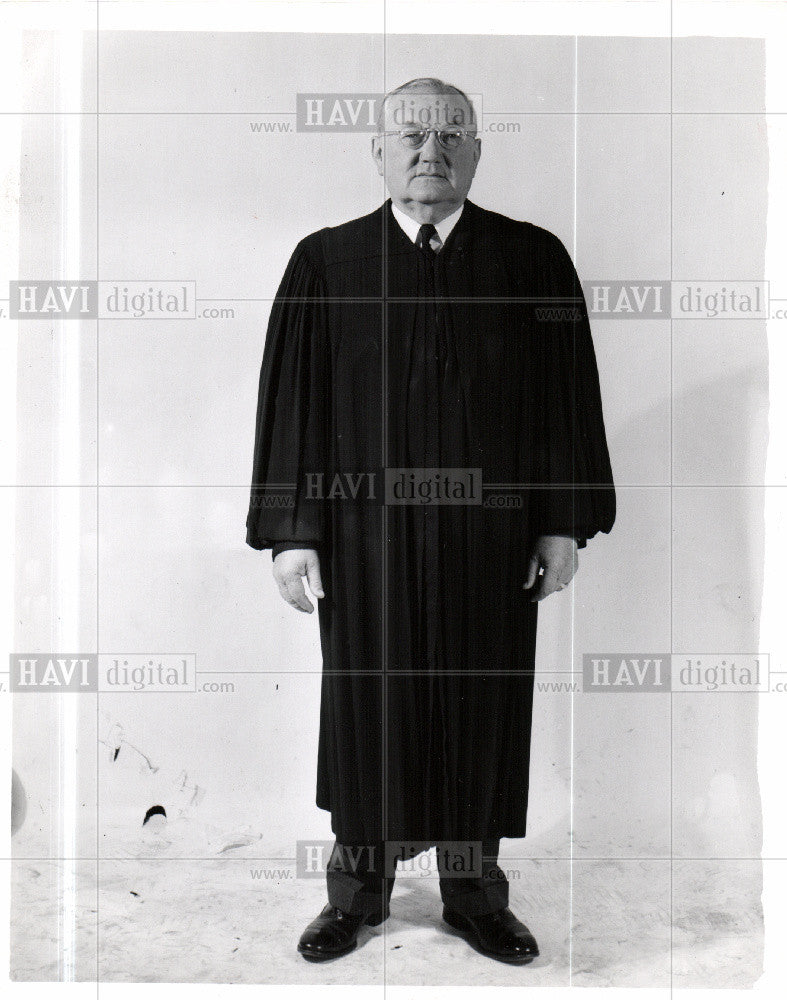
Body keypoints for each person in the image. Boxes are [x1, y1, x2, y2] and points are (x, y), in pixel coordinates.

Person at [246, 78, 615, 963]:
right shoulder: (326, 263)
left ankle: (473, 894)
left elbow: (563, 402)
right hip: (365, 539)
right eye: (410, 134)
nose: (430, 150)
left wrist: (560, 522)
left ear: (478, 152)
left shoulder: (532, 261)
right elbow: (293, 405)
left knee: (479, 708)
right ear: (376, 152)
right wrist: (294, 531)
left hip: (489, 542)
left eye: (452, 134)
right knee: (369, 705)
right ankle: (357, 895)